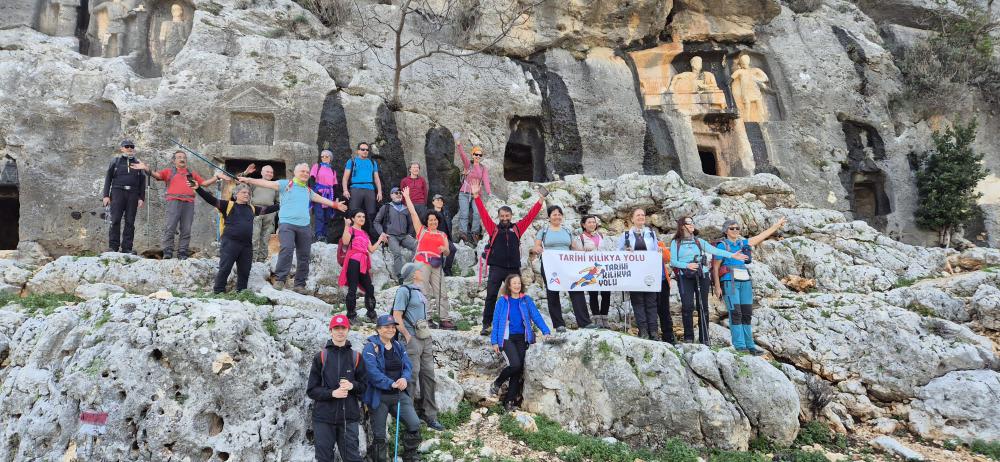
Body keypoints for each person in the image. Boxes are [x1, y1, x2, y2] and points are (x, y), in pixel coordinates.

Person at [238, 163, 347, 292]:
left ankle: (299, 284)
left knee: (304, 255)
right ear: (295, 173)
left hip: (304, 226)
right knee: (287, 249)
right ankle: (280, 279)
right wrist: (248, 179)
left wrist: (335, 205)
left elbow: (319, 198)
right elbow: (266, 183)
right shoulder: (286, 184)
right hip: (287, 224)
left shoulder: (307, 190)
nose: (305, 174)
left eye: (307, 172)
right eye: (302, 171)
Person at [472, 181, 545, 336]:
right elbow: (483, 213)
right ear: (499, 217)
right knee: (491, 296)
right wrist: (476, 196)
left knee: (517, 296)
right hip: (496, 268)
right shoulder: (493, 228)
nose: (504, 218)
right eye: (502, 216)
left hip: (513, 269)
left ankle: (520, 324)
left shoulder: (517, 228)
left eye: (507, 216)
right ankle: (486, 325)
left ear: (511, 216)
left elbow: (530, 216)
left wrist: (540, 200)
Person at [670, 216, 748, 344]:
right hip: (685, 277)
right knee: (687, 306)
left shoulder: (699, 241)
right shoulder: (676, 242)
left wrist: (732, 255)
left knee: (703, 306)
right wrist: (687, 265)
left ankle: (705, 338)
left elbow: (714, 250)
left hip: (702, 275)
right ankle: (689, 338)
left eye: (692, 222)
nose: (691, 225)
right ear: (682, 226)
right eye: (688, 223)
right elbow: (673, 261)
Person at [713, 217, 786, 355]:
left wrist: (776, 225)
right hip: (729, 281)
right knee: (735, 313)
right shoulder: (722, 246)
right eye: (732, 228)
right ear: (726, 231)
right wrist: (717, 286)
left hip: (745, 280)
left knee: (746, 313)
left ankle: (750, 345)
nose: (735, 230)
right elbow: (715, 267)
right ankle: (740, 345)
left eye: (737, 228)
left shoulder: (742, 243)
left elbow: (761, 236)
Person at [192, 180, 279, 293]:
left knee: (245, 271)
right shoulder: (228, 205)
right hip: (230, 243)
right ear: (236, 194)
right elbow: (211, 199)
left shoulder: (252, 208)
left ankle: (241, 292)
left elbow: (268, 209)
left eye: (248, 193)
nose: (247, 194)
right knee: (225, 268)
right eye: (243, 192)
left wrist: (284, 204)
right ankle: (218, 291)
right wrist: (198, 188)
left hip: (246, 246)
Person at [392, 263, 446, 431]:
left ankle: (430, 415)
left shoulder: (418, 290)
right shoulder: (403, 291)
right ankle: (409, 416)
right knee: (412, 375)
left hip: (424, 336)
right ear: (412, 274)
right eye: (418, 270)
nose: (421, 272)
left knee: (428, 375)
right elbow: (396, 315)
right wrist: (406, 335)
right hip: (411, 338)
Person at [362, 314, 422, 462]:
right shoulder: (370, 347)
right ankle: (380, 459)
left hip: (398, 395)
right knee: (379, 435)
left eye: (393, 327)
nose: (391, 329)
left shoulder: (398, 345)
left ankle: (410, 456)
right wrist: (391, 383)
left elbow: (408, 365)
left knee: (414, 424)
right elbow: (372, 372)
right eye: (386, 327)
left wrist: (404, 378)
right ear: (378, 329)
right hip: (379, 396)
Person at [307, 314, 367, 462]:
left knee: (353, 458)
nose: (340, 331)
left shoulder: (356, 357)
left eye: (343, 328)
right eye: (336, 328)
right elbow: (312, 390)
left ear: (348, 330)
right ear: (331, 331)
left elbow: (364, 386)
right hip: (323, 418)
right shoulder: (321, 357)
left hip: (349, 418)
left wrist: (352, 385)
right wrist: (332, 393)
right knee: (324, 459)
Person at [489, 273, 551, 411]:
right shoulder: (502, 301)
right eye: (514, 283)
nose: (517, 285)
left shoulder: (526, 300)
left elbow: (536, 316)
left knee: (518, 370)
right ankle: (497, 383)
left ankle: (509, 402)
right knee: (515, 365)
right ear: (509, 286)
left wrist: (546, 331)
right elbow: (496, 322)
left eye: (519, 283)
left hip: (522, 338)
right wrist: (494, 341)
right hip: (506, 338)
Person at [131, 151, 205, 260]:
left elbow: (204, 183)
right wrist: (145, 168)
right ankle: (167, 250)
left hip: (189, 202)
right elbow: (157, 175)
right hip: (173, 201)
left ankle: (182, 251)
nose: (182, 159)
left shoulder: (191, 174)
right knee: (170, 226)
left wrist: (217, 177)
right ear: (174, 160)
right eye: (179, 157)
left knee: (186, 228)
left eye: (184, 157)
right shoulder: (170, 172)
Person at [402, 187, 455, 330]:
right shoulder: (421, 231)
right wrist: (407, 197)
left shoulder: (442, 235)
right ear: (426, 221)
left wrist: (444, 250)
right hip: (422, 262)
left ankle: (444, 319)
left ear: (438, 221)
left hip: (437, 263)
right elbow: (413, 213)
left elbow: (448, 252)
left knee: (441, 291)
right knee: (423, 291)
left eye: (435, 220)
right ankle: (427, 317)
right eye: (430, 220)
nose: (433, 222)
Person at [533, 205, 591, 331]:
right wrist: (538, 249)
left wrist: (584, 251)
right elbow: (536, 246)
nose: (557, 217)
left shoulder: (567, 230)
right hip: (550, 266)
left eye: (559, 214)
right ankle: (559, 324)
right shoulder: (544, 231)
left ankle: (584, 322)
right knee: (552, 292)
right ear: (549, 217)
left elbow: (573, 246)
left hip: (567, 265)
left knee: (576, 289)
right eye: (554, 214)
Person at [616, 209, 662, 340]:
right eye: (638, 215)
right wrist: (626, 252)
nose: (641, 217)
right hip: (634, 273)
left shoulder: (651, 234)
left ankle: (654, 331)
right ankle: (643, 331)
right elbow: (618, 253)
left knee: (651, 302)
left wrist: (658, 251)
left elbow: (656, 251)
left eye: (643, 215)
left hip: (649, 273)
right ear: (632, 219)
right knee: (638, 302)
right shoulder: (626, 235)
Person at [339, 210, 388, 321]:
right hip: (353, 261)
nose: (362, 218)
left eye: (363, 217)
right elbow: (345, 242)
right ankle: (351, 316)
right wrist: (346, 226)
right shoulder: (351, 230)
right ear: (353, 219)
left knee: (369, 288)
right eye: (359, 216)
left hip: (363, 262)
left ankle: (371, 313)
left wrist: (380, 239)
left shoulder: (365, 234)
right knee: (352, 288)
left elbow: (371, 249)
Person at [102, 139, 146, 254]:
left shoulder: (138, 163)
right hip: (117, 192)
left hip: (133, 193)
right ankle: (113, 247)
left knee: (130, 221)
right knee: (115, 219)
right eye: (127, 146)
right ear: (122, 148)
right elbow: (108, 178)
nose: (130, 148)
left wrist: (141, 198)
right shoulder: (115, 161)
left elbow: (142, 181)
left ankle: (127, 248)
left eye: (132, 146)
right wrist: (106, 195)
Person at [577, 215, 612, 328]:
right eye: (589, 222)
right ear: (584, 225)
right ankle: (597, 318)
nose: (592, 224)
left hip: (603, 268)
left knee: (606, 293)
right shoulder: (581, 238)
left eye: (594, 222)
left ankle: (605, 317)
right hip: (591, 270)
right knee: (593, 293)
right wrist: (583, 251)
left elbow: (607, 250)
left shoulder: (600, 235)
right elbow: (577, 254)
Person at [342, 142, 383, 240]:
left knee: (371, 214)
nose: (365, 151)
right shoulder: (352, 161)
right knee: (353, 213)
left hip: (370, 189)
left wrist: (380, 192)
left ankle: (372, 238)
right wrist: (345, 190)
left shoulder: (372, 162)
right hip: (355, 188)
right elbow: (345, 178)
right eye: (362, 149)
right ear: (358, 151)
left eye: (367, 150)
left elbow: (377, 178)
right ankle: (351, 237)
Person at [374, 187, 417, 281]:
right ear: (391, 195)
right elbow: (376, 222)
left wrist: (410, 233)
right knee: (397, 253)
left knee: (417, 245)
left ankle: (413, 269)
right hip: (391, 236)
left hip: (404, 236)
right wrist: (382, 234)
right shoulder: (386, 207)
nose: (399, 194)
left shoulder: (406, 208)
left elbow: (411, 223)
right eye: (396, 193)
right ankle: (400, 275)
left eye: (400, 193)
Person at [455, 140, 492, 244]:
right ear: (472, 154)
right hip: (464, 193)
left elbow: (486, 180)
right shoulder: (468, 165)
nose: (478, 156)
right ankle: (463, 234)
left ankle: (474, 233)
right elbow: (462, 155)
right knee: (464, 213)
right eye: (476, 154)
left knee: (477, 213)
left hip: (476, 195)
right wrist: (459, 145)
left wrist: (489, 193)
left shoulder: (483, 168)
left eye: (480, 155)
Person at [310, 150, 340, 243]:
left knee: (328, 216)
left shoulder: (333, 171)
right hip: (319, 193)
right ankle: (319, 235)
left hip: (329, 195)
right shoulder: (317, 166)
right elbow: (311, 179)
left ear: (330, 158)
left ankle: (325, 236)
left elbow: (335, 185)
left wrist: (336, 198)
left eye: (326, 156)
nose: (324, 158)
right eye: (322, 156)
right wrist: (314, 192)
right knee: (319, 215)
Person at [251, 164, 278, 262]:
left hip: (270, 212)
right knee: (254, 236)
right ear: (262, 173)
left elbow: (279, 201)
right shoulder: (255, 182)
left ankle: (261, 260)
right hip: (256, 211)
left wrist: (275, 212)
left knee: (265, 238)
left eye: (271, 172)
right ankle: (252, 259)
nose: (269, 174)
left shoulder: (275, 185)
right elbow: (240, 185)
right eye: (267, 172)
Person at [430, 194, 457, 276]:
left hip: (445, 238)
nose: (440, 202)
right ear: (433, 202)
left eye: (441, 200)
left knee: (453, 249)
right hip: (435, 238)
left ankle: (447, 268)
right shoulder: (431, 214)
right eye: (438, 200)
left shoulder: (446, 213)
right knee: (439, 253)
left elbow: (449, 225)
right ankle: (439, 271)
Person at [656, 237, 676, 343]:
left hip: (662, 281)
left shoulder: (659, 243)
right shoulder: (637, 243)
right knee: (650, 309)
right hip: (648, 283)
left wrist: (662, 249)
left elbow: (668, 258)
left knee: (664, 309)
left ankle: (668, 336)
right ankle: (652, 333)